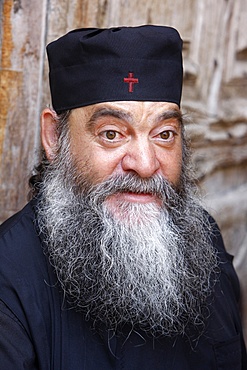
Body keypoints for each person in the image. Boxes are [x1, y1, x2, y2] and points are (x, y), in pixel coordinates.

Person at [0, 25, 246, 370]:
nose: (145, 165)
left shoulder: (202, 238)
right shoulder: (8, 281)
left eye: (164, 134)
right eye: (112, 134)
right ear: (55, 137)